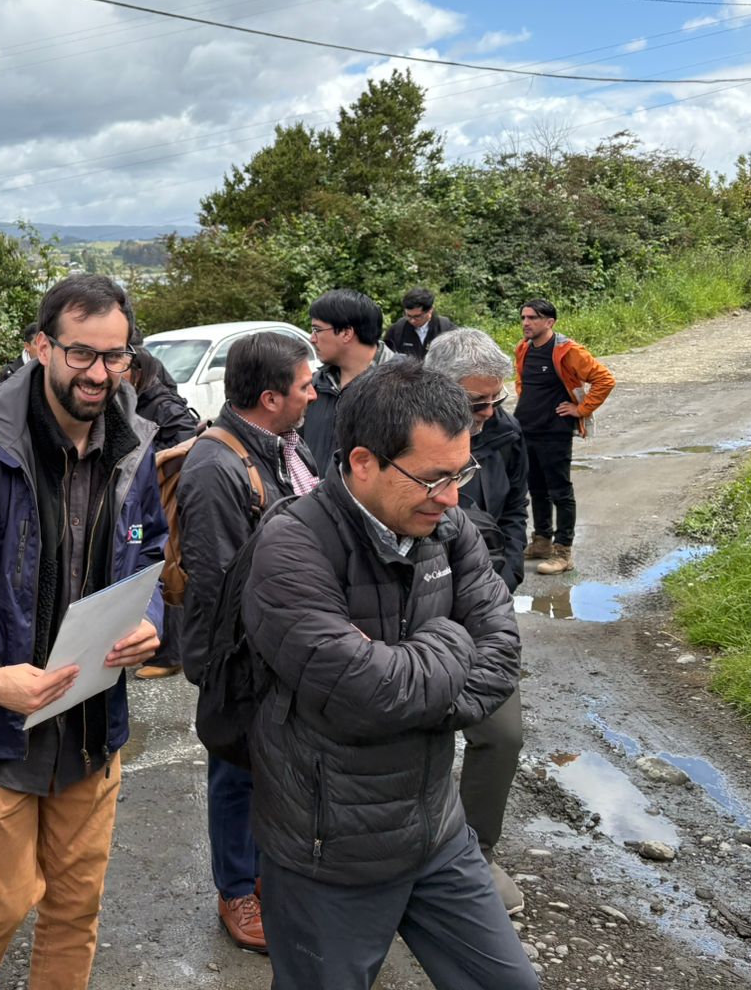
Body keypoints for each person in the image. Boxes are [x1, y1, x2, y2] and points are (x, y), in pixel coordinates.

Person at [0, 273, 166, 990]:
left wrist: (152, 619)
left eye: (115, 356)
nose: (99, 373)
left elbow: (152, 549)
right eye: (82, 354)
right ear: (41, 347)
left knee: (78, 901)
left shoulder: (133, 444)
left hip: (91, 717)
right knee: (5, 898)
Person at [243, 360, 532, 990]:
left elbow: (501, 652)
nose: (453, 496)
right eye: (433, 479)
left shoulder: (447, 527)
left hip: (436, 828)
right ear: (363, 462)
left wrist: (418, 685)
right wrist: (450, 642)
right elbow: (367, 693)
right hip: (329, 849)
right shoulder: (293, 547)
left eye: (463, 472)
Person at [176, 331, 318, 953]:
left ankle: (267, 875)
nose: (315, 395)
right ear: (269, 397)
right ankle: (236, 890)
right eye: (306, 386)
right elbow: (219, 583)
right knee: (236, 771)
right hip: (239, 655)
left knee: (275, 769)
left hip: (281, 646)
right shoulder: (215, 466)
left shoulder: (285, 446)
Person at [424, 327, 530, 915]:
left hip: (487, 605)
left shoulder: (504, 431)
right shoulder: (402, 437)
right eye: (475, 404)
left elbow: (516, 506)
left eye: (495, 401)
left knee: (501, 733)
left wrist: (508, 572)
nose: (488, 414)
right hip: (419, 609)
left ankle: (475, 853)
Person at [514, 298, 616, 575]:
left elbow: (604, 379)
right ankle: (542, 542)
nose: (526, 323)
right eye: (523, 317)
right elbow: (523, 384)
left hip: (555, 432)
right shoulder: (523, 348)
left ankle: (563, 553)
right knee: (536, 488)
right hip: (527, 429)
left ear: (549, 322)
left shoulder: (568, 350)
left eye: (532, 318)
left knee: (560, 491)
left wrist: (581, 408)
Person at [127, 345, 199, 679]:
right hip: (143, 496)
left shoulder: (163, 405)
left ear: (139, 372)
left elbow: (187, 446)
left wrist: (154, 459)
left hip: (167, 498)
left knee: (166, 569)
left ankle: (171, 655)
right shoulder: (134, 401)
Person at [302, 288, 396, 473]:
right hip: (316, 500)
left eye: (317, 330)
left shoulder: (404, 387)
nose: (312, 339)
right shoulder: (314, 386)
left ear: (346, 333)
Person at [384, 287, 457, 360]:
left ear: (430, 310)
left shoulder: (446, 328)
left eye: (417, 316)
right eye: (408, 316)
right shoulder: (397, 329)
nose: (412, 320)